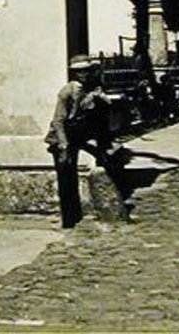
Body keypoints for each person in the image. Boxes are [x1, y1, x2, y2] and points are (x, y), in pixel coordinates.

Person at [44, 57, 129, 228]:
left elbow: (98, 106)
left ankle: (75, 215)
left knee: (74, 175)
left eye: (86, 71)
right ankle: (68, 219)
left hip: (75, 136)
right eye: (79, 71)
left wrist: (97, 96)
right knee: (65, 178)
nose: (83, 74)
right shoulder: (66, 92)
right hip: (62, 138)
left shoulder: (86, 90)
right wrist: (63, 144)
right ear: (74, 73)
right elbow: (58, 120)